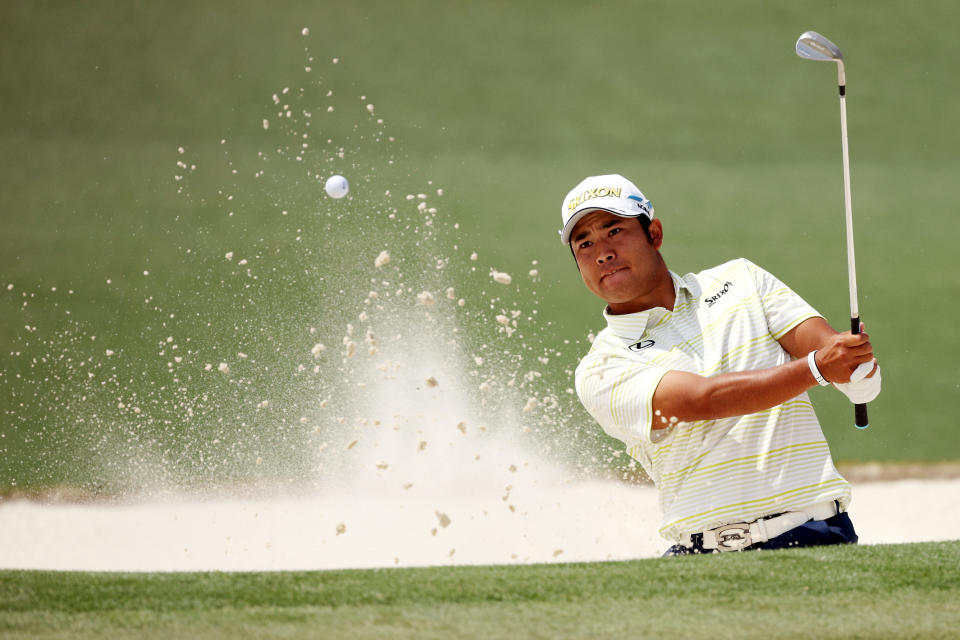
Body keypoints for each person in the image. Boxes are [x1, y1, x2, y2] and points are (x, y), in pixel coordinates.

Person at [560, 174, 881, 555]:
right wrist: (818, 369)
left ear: (655, 233)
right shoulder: (601, 366)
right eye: (584, 243)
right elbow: (699, 402)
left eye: (615, 230)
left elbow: (837, 358)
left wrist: (858, 370)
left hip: (814, 534)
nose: (602, 252)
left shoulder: (742, 280)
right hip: (700, 558)